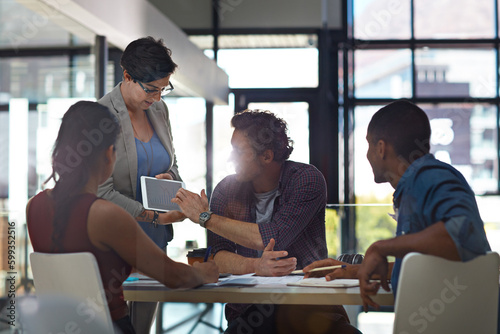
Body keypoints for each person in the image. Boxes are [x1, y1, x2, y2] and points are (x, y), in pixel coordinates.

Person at [26, 101, 218, 334]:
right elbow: (174, 276)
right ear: (109, 154)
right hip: (110, 327)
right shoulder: (105, 215)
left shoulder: (33, 207)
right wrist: (205, 272)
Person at [173, 110, 360, 333]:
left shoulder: (306, 179)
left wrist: (205, 217)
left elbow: (273, 237)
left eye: (239, 152)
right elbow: (216, 257)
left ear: (267, 156)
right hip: (247, 312)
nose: (230, 158)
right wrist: (255, 266)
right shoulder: (226, 190)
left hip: (309, 308)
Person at [303, 100, 491, 312]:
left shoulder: (430, 177)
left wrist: (380, 247)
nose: (367, 154)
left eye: (368, 144)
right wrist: (353, 270)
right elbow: (425, 267)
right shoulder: (413, 185)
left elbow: (463, 237)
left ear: (381, 148)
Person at [97, 36, 183, 332]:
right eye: (151, 89)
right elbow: (101, 192)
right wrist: (153, 215)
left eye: (163, 89)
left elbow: (173, 165)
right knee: (116, 326)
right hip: (116, 242)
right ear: (127, 77)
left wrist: (171, 178)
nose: (157, 97)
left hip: (155, 241)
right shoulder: (101, 116)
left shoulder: (159, 110)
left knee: (143, 328)